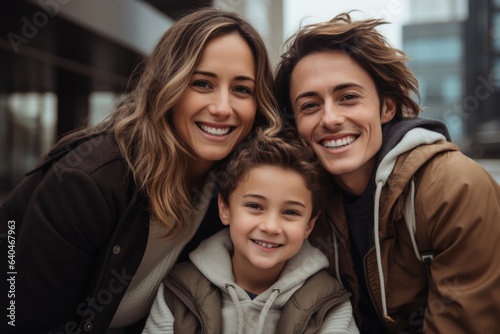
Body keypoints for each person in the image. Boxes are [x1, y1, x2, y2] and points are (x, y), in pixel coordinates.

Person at [0, 8, 282, 334]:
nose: (222, 107)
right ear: (168, 88)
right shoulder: (86, 184)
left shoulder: (231, 185)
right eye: (202, 83)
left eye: (241, 89)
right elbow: (23, 322)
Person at [274, 12, 500, 334]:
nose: (331, 118)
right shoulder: (302, 200)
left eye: (348, 97)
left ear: (387, 108)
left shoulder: (455, 188)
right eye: (310, 105)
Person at [142, 127, 359, 334]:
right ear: (224, 209)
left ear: (309, 225)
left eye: (291, 212)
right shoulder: (179, 291)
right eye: (255, 206)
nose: (271, 227)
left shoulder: (329, 304)